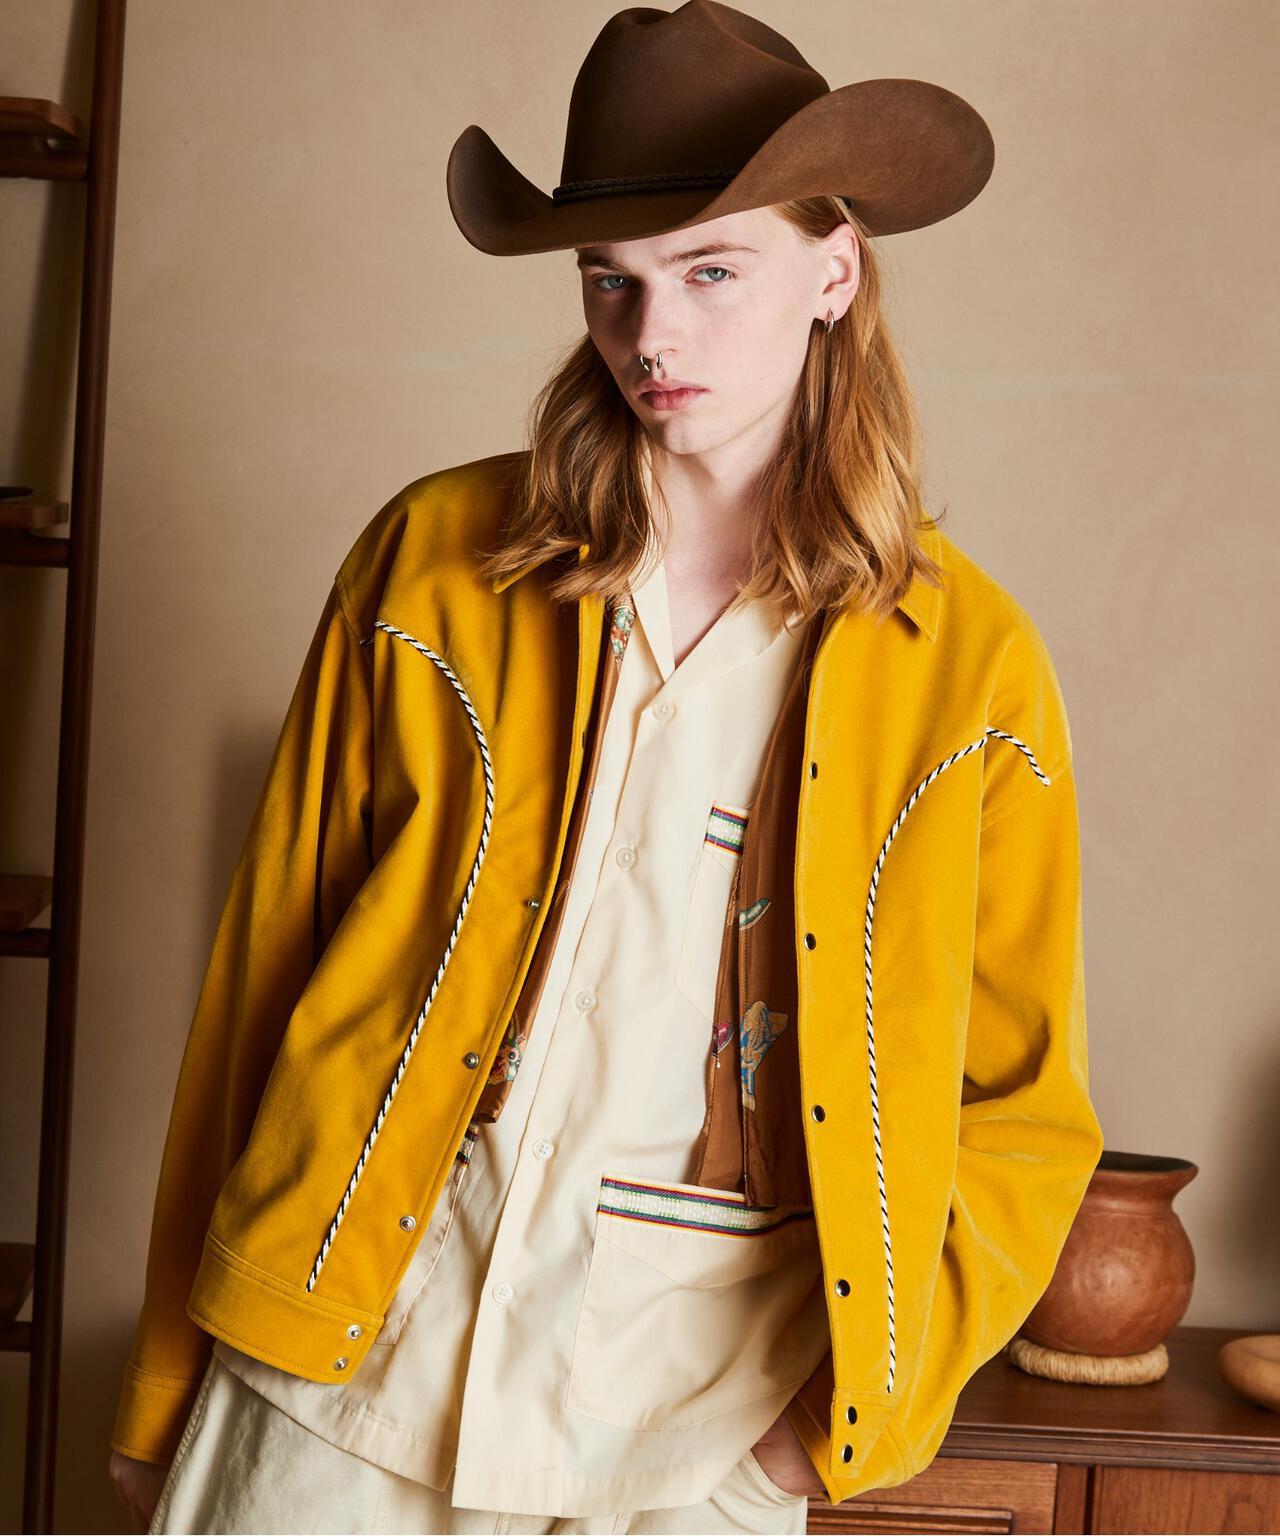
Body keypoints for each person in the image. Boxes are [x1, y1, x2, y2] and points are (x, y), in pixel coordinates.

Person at [109, 2, 1105, 1532]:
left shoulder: (968, 670)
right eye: (611, 280)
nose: (654, 336)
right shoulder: (430, 564)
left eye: (712, 271)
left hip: (696, 1432)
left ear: (835, 272)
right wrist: (166, 1378)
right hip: (343, 1380)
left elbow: (1025, 1114)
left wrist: (818, 1438)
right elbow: (264, 981)